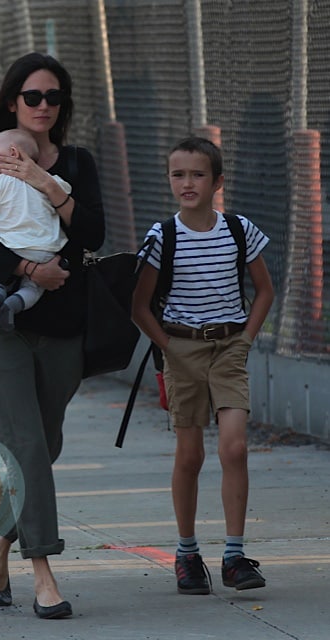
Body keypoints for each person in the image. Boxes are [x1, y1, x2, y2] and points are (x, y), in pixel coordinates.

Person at [0, 52, 105, 619]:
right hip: (2, 322)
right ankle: (43, 570)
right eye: (32, 96)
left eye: (53, 97)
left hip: (63, 323)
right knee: (25, 446)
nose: (43, 106)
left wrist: (44, 181)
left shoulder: (76, 162)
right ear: (12, 101)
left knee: (44, 446)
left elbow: (92, 231)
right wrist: (27, 271)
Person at [132, 136, 274, 596]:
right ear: (169, 180)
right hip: (182, 352)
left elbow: (264, 290)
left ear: (217, 181)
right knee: (190, 456)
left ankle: (234, 556)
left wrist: (246, 340)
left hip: (230, 349)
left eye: (197, 174)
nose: (187, 183)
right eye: (178, 174)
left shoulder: (238, 229)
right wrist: (167, 346)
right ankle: (187, 554)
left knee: (234, 448)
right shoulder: (162, 237)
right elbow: (138, 305)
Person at [0, 128, 71, 330]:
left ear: (12, 153)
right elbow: (65, 190)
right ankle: (13, 305)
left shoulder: (0, 182)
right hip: (46, 251)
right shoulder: (46, 181)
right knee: (34, 289)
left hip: (13, 248)